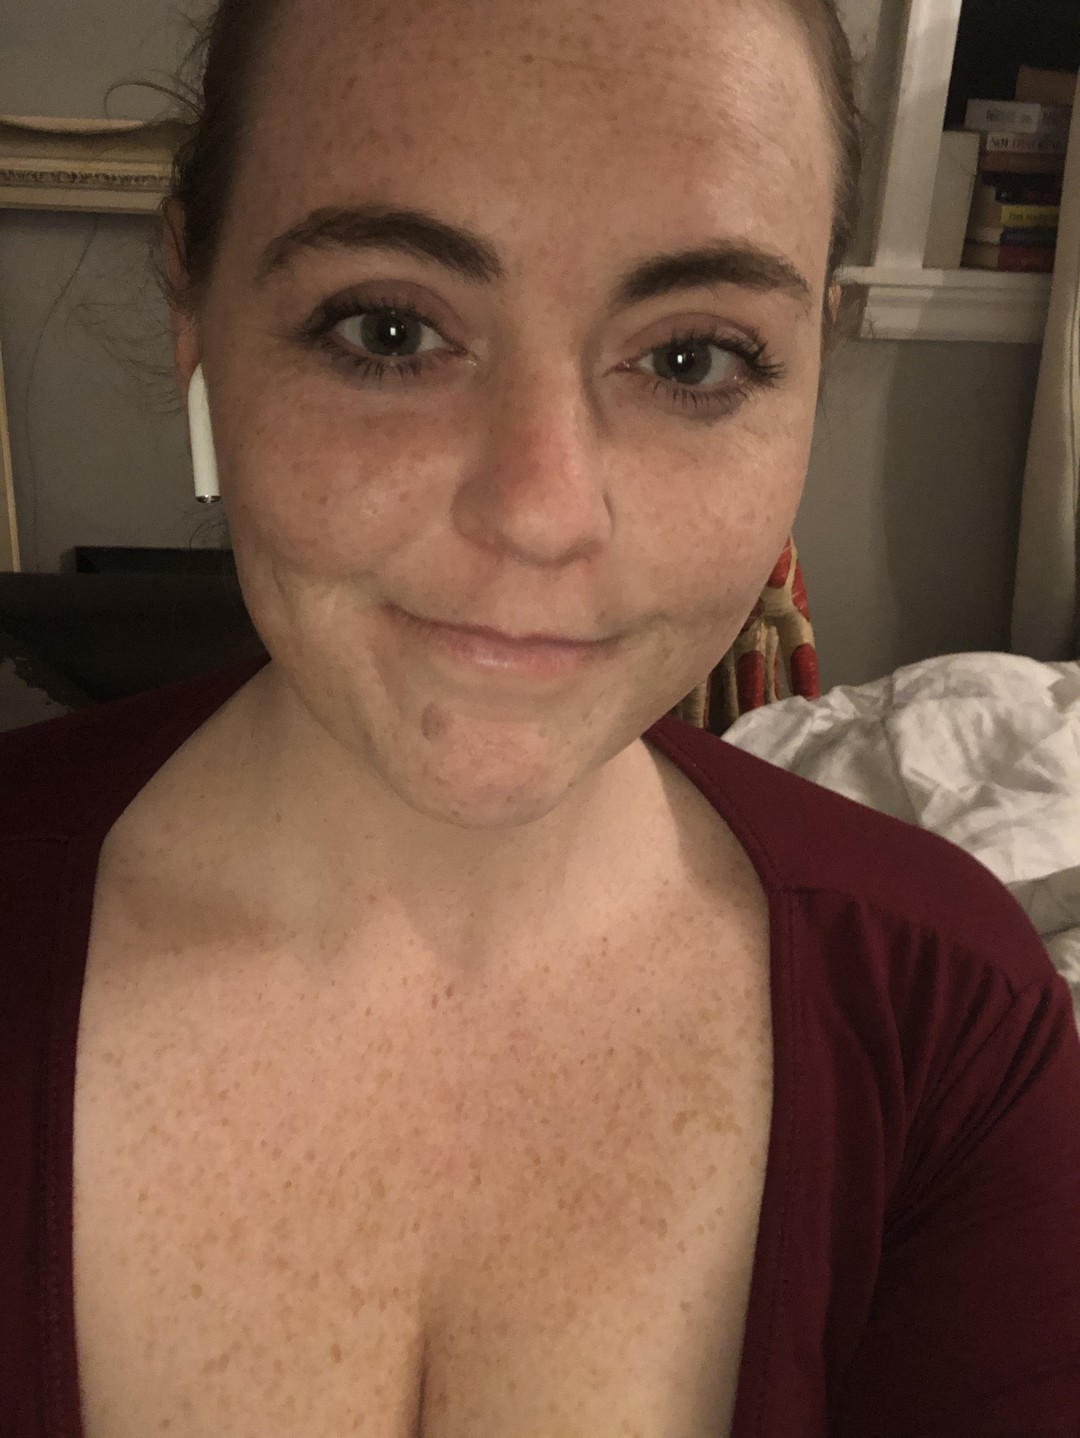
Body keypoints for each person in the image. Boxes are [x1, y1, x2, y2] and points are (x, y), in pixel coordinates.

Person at [2, 0, 1079, 1434]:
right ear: (194, 303)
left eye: (694, 359)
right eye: (389, 329)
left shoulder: (952, 1020)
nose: (543, 511)